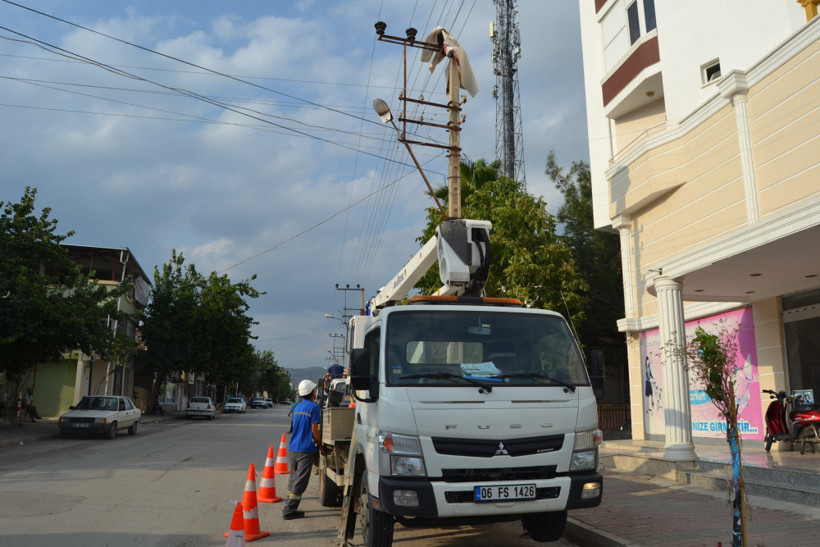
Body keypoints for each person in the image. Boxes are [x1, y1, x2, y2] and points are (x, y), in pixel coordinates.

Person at [283, 379, 327, 520]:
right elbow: (315, 429)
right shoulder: (314, 407)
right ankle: (289, 510)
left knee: (293, 478)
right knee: (301, 481)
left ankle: (289, 505)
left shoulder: (298, 407)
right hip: (305, 449)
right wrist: (321, 447)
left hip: (293, 448)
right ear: (312, 393)